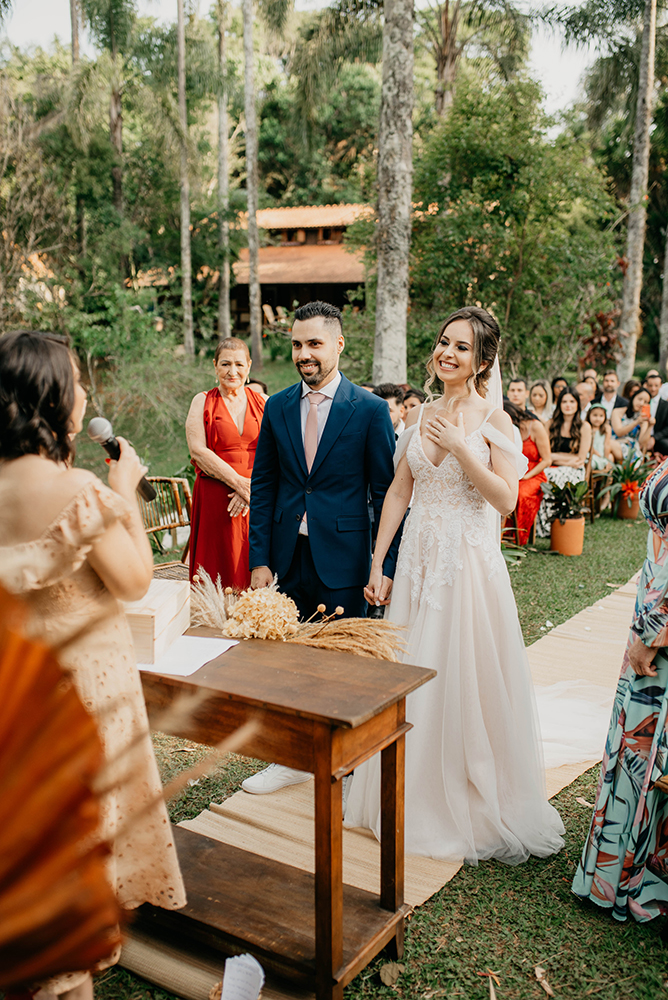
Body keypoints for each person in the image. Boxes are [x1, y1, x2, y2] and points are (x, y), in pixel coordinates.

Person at [0, 331, 186, 1000]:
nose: (85, 394)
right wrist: (126, 488)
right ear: (52, 398)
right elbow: (136, 580)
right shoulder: (77, 489)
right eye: (76, 383)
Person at [344, 306, 564, 863]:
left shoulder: (496, 421)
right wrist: (378, 563)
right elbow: (399, 492)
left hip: (465, 568)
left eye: (461, 347)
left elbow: (507, 500)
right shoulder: (419, 418)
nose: (447, 353)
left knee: (464, 677)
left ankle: (466, 795)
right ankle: (405, 788)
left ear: (482, 360)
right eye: (444, 342)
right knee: (411, 675)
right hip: (417, 560)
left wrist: (466, 448)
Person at [245, 301, 398, 795]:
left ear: (338, 344)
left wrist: (383, 565)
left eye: (314, 343)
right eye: (296, 344)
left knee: (344, 665)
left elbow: (388, 495)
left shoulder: (370, 410)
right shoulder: (278, 405)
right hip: (289, 557)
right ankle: (290, 758)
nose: (304, 354)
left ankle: (348, 762)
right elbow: (264, 485)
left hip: (348, 560)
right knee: (289, 663)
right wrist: (261, 559)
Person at [572, 459, 668, 921]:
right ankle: (614, 866)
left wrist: (653, 633)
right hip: (651, 601)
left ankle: (635, 873)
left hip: (661, 626)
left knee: (648, 743)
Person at [186, 338, 265, 589]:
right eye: (225, 364)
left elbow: (276, 451)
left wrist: (250, 488)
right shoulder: (202, 401)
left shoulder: (264, 401)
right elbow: (198, 451)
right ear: (215, 366)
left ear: (249, 366)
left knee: (253, 566)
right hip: (216, 497)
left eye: (239, 364)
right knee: (215, 571)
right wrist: (239, 484)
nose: (233, 371)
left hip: (257, 496)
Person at [535, 388, 592, 538]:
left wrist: (553, 456)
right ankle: (545, 524)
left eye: (572, 401)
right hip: (550, 466)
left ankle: (558, 522)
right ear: (559, 404)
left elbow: (580, 459)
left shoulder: (584, 427)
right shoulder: (550, 424)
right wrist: (562, 458)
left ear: (577, 404)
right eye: (564, 401)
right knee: (544, 476)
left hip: (574, 470)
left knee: (553, 476)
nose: (568, 405)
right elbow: (544, 454)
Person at [505, 401, 551, 545]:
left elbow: (547, 460)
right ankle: (502, 534)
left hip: (534, 473)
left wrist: (527, 476)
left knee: (521, 494)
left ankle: (518, 537)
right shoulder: (510, 430)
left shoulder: (535, 426)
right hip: (513, 471)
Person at [611, 387, 653, 459]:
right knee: (609, 455)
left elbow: (642, 442)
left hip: (631, 449)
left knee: (608, 444)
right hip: (615, 443)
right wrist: (636, 422)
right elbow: (619, 432)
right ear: (633, 397)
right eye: (639, 399)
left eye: (646, 402)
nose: (641, 403)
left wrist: (650, 426)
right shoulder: (617, 412)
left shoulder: (643, 419)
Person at [587, 404, 613, 471]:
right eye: (595, 415)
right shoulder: (587, 428)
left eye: (601, 416)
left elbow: (607, 444)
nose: (598, 419)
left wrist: (606, 458)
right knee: (590, 462)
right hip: (590, 454)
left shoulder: (606, 428)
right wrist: (595, 453)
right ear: (589, 415)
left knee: (610, 457)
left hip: (601, 454)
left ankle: (607, 479)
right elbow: (588, 445)